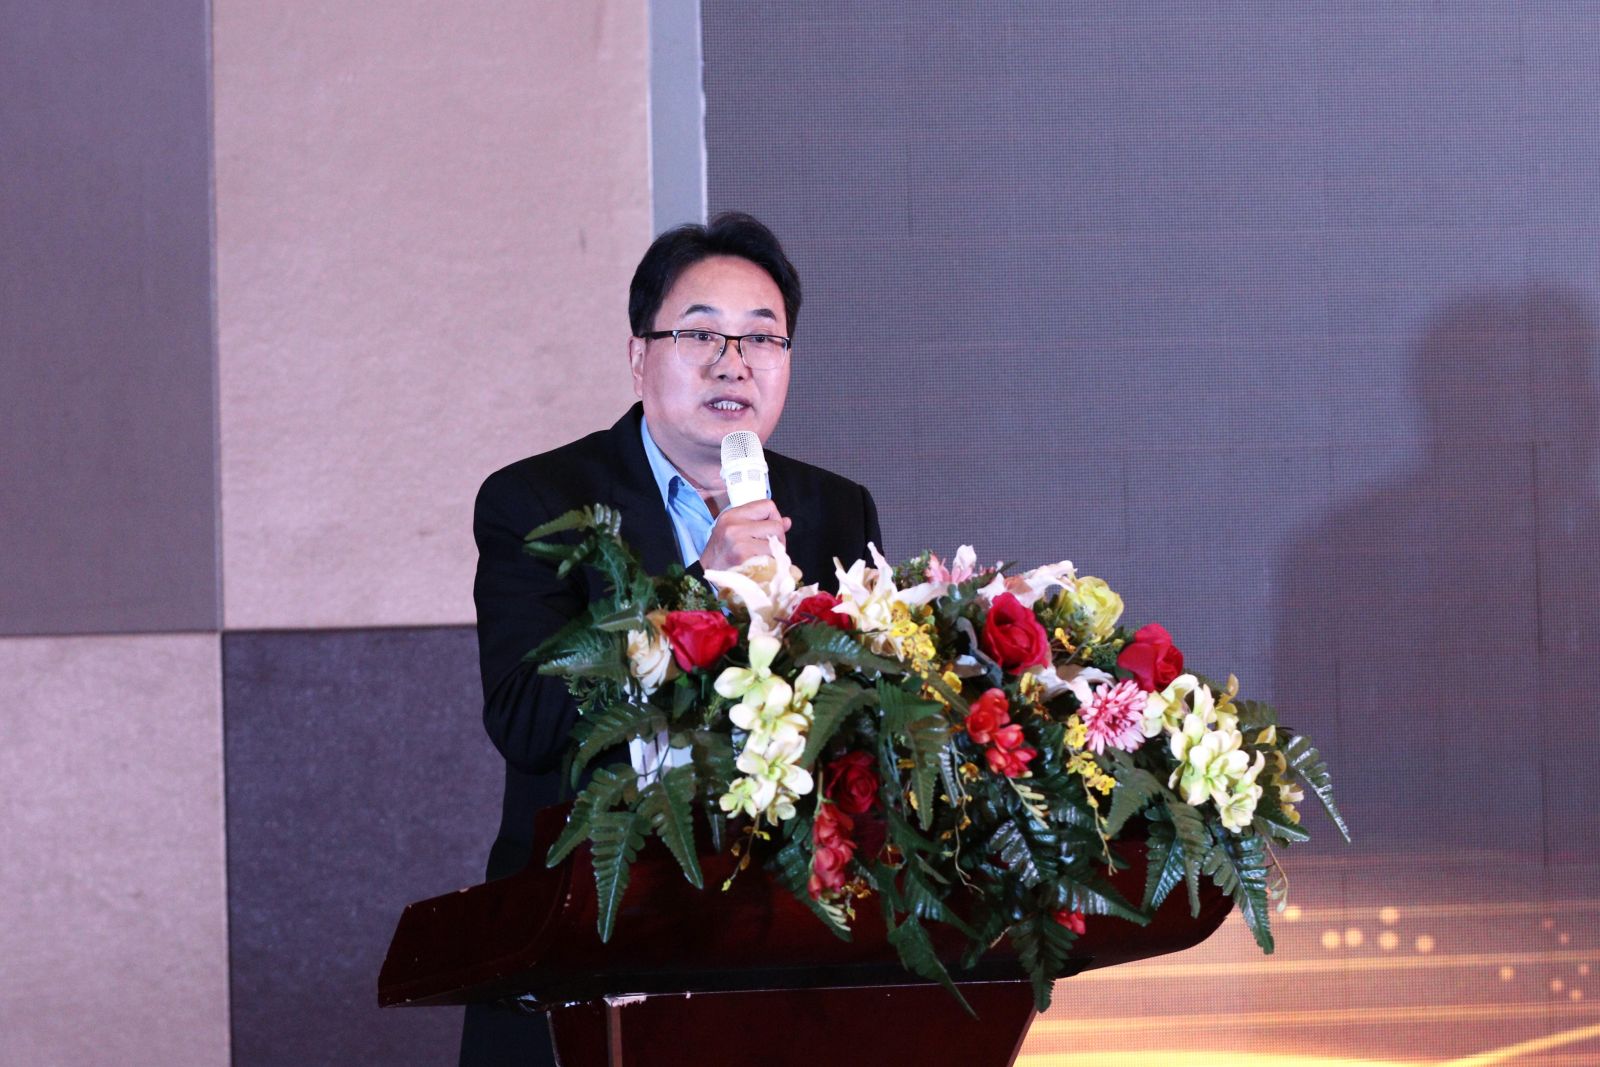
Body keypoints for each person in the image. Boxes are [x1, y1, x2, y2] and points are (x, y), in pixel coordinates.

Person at [459, 212, 883, 1065]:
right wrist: (701, 588)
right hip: (587, 942)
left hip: (783, 958)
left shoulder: (836, 508)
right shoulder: (536, 501)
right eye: (700, 334)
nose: (734, 362)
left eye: (761, 338)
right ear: (638, 356)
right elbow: (528, 718)